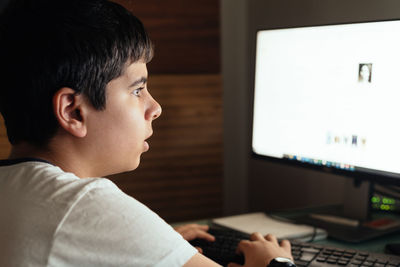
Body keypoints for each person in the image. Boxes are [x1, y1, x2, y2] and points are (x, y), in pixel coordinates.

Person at [0, 0, 294, 266]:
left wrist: (160, 246)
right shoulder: (85, 204)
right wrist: (276, 263)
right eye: (137, 90)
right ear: (73, 111)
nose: (155, 108)